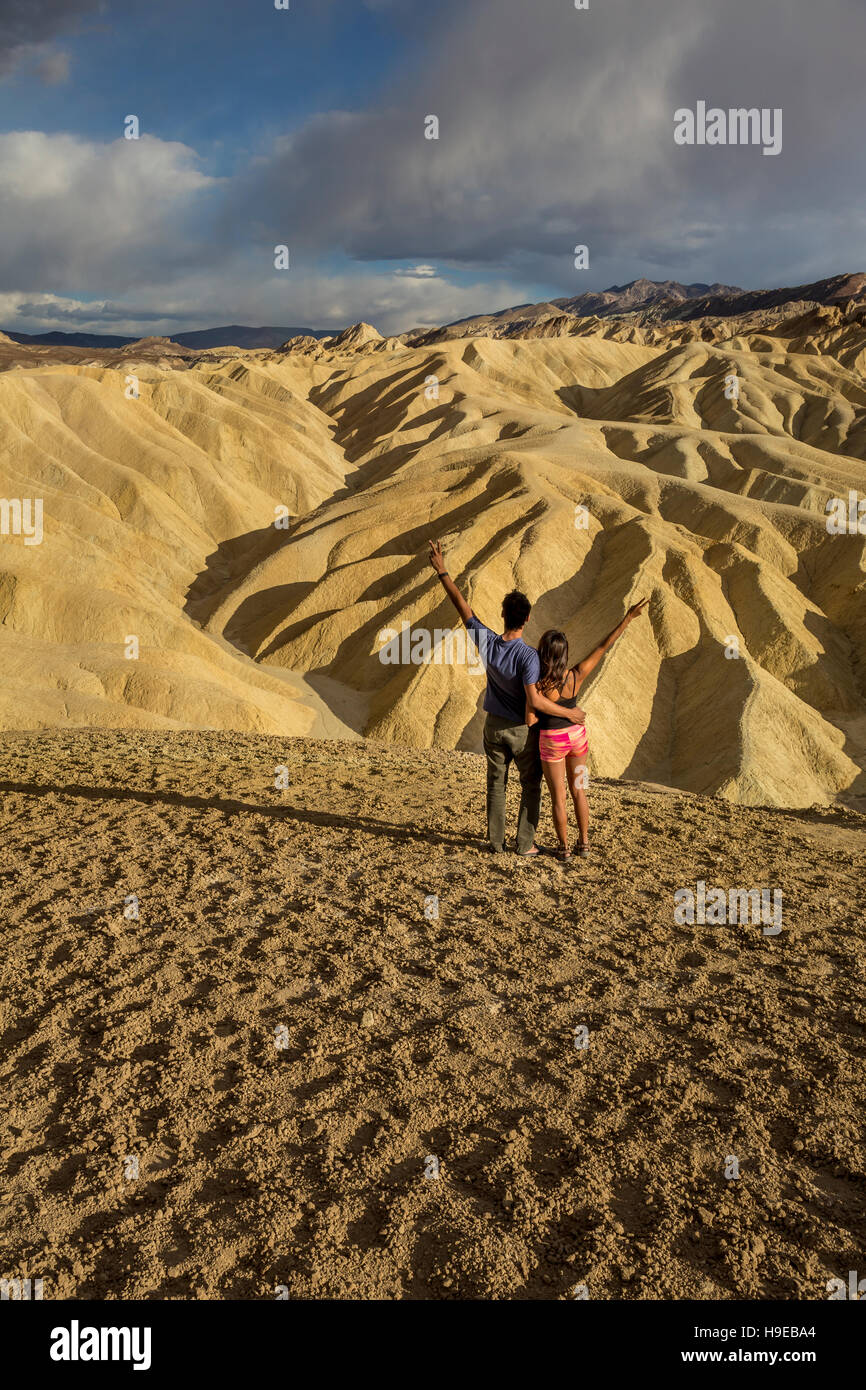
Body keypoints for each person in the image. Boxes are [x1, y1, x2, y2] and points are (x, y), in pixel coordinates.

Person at [426, 538, 577, 855]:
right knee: (530, 785)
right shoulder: (529, 657)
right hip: (521, 731)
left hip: (492, 726)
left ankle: (496, 842)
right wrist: (570, 714)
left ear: (504, 616)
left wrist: (443, 572)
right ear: (526, 619)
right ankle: (524, 843)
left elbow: (462, 606)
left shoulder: (488, 642)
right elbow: (534, 702)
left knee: (496, 785)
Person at [534, 599, 649, 860]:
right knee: (579, 789)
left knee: (558, 797)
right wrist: (628, 618)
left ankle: (563, 849)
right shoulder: (577, 674)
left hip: (552, 740)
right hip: (577, 736)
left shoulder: (540, 684)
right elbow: (603, 646)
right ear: (564, 655)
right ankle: (584, 843)